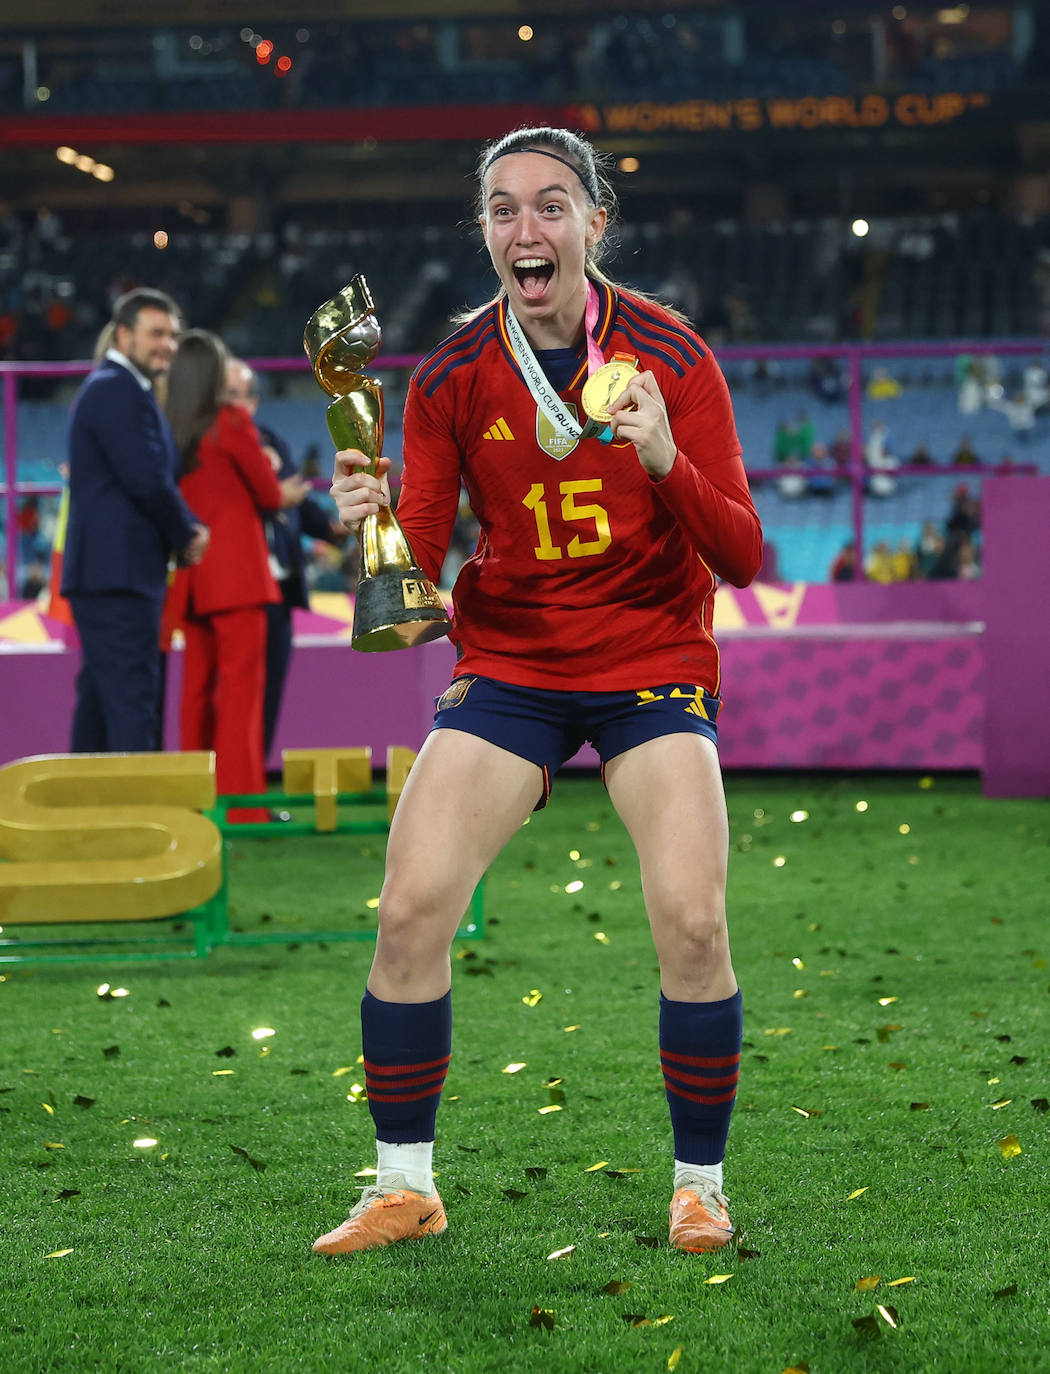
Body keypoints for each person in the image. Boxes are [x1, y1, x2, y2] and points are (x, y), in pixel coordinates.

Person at [315, 125, 762, 1259]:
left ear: (593, 225)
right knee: (409, 907)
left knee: (694, 919)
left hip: (653, 657)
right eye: (505, 209)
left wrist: (663, 454)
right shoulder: (450, 376)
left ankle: (699, 1185)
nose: (528, 228)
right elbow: (413, 573)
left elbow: (745, 556)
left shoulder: (674, 355)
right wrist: (368, 534)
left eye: (552, 206)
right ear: (485, 232)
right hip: (511, 661)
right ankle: (404, 1183)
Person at [62, 287, 208, 753]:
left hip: (110, 574)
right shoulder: (116, 389)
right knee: (131, 703)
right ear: (124, 336)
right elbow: (146, 478)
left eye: (172, 335)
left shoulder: (118, 388)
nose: (167, 343)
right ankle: (140, 818)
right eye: (156, 333)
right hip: (118, 575)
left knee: (102, 702)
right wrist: (185, 533)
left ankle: (83, 811)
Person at [164, 331, 283, 811]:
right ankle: (242, 806)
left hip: (193, 580)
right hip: (236, 579)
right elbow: (270, 496)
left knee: (195, 693)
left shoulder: (168, 426)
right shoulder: (230, 421)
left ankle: (197, 800)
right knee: (239, 696)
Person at [221, 357, 344, 760]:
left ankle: (252, 784)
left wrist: (333, 528)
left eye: (244, 395)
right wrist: (274, 495)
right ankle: (228, 786)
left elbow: (298, 502)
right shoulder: (212, 445)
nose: (239, 404)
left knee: (269, 688)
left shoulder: (271, 440)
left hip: (280, 587)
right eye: (229, 396)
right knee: (234, 691)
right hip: (238, 587)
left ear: (256, 401)